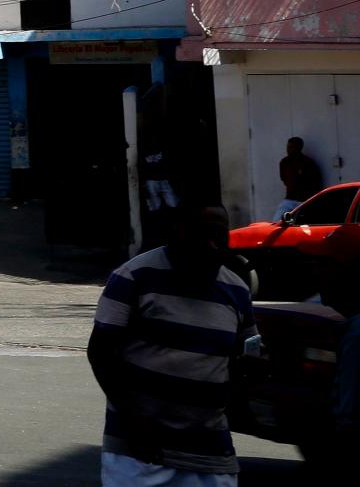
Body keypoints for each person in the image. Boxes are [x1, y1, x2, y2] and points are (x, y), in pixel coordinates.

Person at [88, 204, 253, 487]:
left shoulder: (236, 290)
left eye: (220, 234)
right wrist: (135, 421)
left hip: (210, 456)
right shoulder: (134, 276)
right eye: (204, 234)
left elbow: (244, 360)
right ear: (178, 233)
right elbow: (101, 353)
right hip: (139, 457)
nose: (213, 245)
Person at [277, 137, 324, 218]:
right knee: (277, 219)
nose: (288, 150)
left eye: (291, 147)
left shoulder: (308, 163)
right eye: (287, 147)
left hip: (304, 201)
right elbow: (284, 179)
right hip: (289, 199)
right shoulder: (284, 162)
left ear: (299, 148)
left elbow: (315, 182)